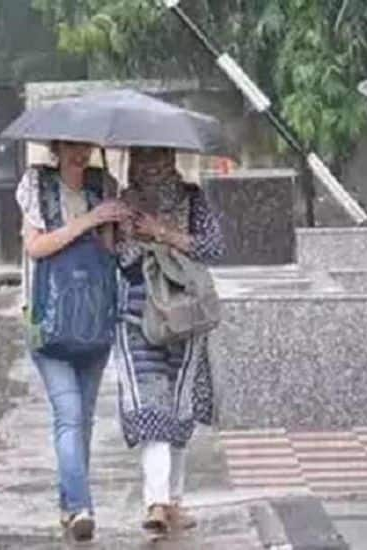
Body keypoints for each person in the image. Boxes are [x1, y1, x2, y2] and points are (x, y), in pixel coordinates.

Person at [15, 141, 128, 542]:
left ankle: (70, 505)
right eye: (71, 147)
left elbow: (110, 254)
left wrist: (113, 223)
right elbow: (36, 247)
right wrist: (87, 220)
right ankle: (82, 507)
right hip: (47, 320)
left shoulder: (105, 186)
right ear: (57, 149)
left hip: (93, 319)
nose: (79, 154)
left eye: (85, 147)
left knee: (83, 420)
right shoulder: (36, 185)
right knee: (69, 414)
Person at [114, 147, 224, 534]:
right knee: (151, 404)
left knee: (179, 408)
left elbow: (213, 248)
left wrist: (163, 233)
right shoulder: (123, 202)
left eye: (156, 158)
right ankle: (156, 501)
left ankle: (172, 501)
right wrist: (131, 234)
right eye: (142, 159)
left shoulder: (193, 199)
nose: (149, 166)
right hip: (136, 317)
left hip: (184, 316)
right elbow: (120, 259)